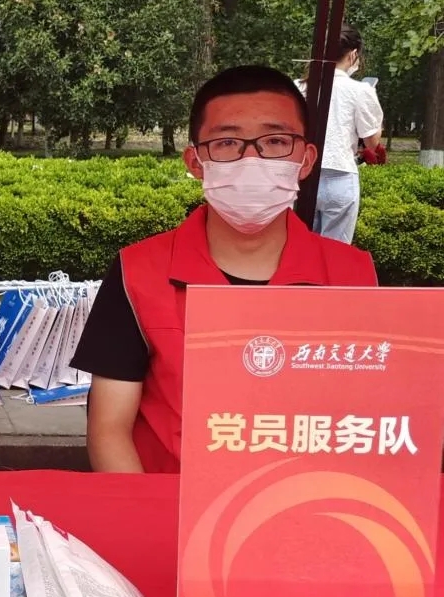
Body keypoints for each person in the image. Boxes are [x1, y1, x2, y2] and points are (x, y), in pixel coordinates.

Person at [70, 65, 379, 474]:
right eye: (227, 142)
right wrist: (145, 509)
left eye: (275, 141)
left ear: (306, 160)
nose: (251, 159)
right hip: (169, 504)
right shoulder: (137, 273)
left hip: (307, 503)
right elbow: (109, 431)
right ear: (196, 162)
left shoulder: (353, 277)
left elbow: (371, 419)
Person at [297, 25, 384, 243]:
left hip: (302, 176)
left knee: (301, 248)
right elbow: (372, 142)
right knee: (336, 252)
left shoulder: (299, 87)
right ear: (353, 54)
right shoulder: (361, 90)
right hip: (340, 177)